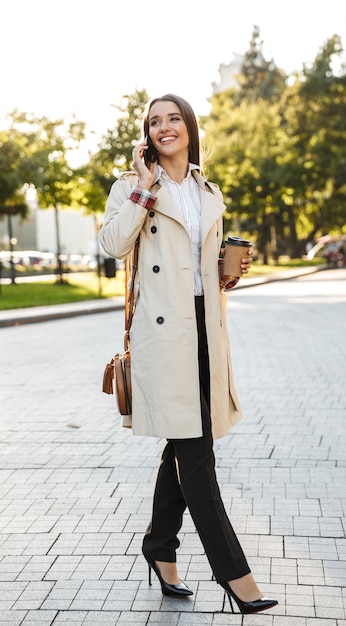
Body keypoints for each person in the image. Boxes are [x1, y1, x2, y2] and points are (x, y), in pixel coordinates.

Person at [98, 94, 278, 615]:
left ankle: (159, 549)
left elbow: (200, 269)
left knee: (183, 448)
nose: (164, 127)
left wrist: (227, 270)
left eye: (173, 118)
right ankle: (236, 576)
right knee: (197, 458)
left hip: (205, 331)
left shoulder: (207, 189)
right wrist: (145, 187)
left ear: (189, 127)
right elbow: (112, 244)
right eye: (154, 121)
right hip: (164, 337)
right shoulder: (133, 187)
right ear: (146, 134)